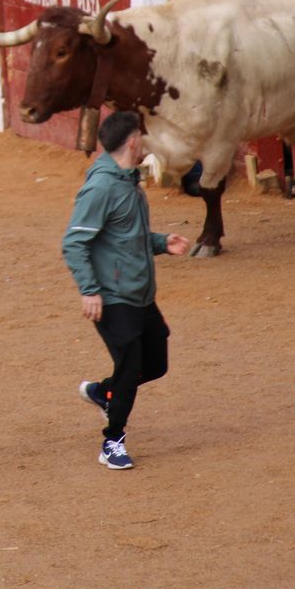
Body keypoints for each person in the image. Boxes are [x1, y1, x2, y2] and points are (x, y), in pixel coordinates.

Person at [64, 109, 194, 471]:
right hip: (111, 296)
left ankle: (104, 392)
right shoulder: (102, 188)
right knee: (130, 365)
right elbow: (74, 243)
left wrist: (160, 242)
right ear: (134, 142)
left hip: (139, 294)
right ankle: (112, 442)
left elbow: (125, 236)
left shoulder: (128, 182)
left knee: (156, 363)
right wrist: (90, 290)